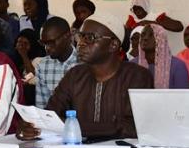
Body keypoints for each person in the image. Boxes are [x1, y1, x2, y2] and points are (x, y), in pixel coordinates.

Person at [20, 13, 153, 140]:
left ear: (113, 45)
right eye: (80, 37)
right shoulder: (75, 75)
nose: (81, 43)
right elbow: (51, 113)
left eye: (90, 38)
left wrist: (72, 125)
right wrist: (31, 126)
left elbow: (132, 126)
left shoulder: (137, 76)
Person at [35, 17, 79, 109]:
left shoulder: (83, 63)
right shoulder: (43, 66)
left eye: (51, 42)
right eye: (44, 43)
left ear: (67, 36)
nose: (47, 48)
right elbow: (42, 107)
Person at [132, 24, 189, 89]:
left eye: (152, 35)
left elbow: (182, 97)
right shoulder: (132, 65)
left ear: (161, 40)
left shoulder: (178, 66)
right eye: (143, 35)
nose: (145, 38)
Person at [14, 29, 46, 105]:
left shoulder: (38, 59)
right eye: (19, 42)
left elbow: (31, 74)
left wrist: (24, 55)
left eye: (25, 43)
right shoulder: (14, 57)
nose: (21, 45)